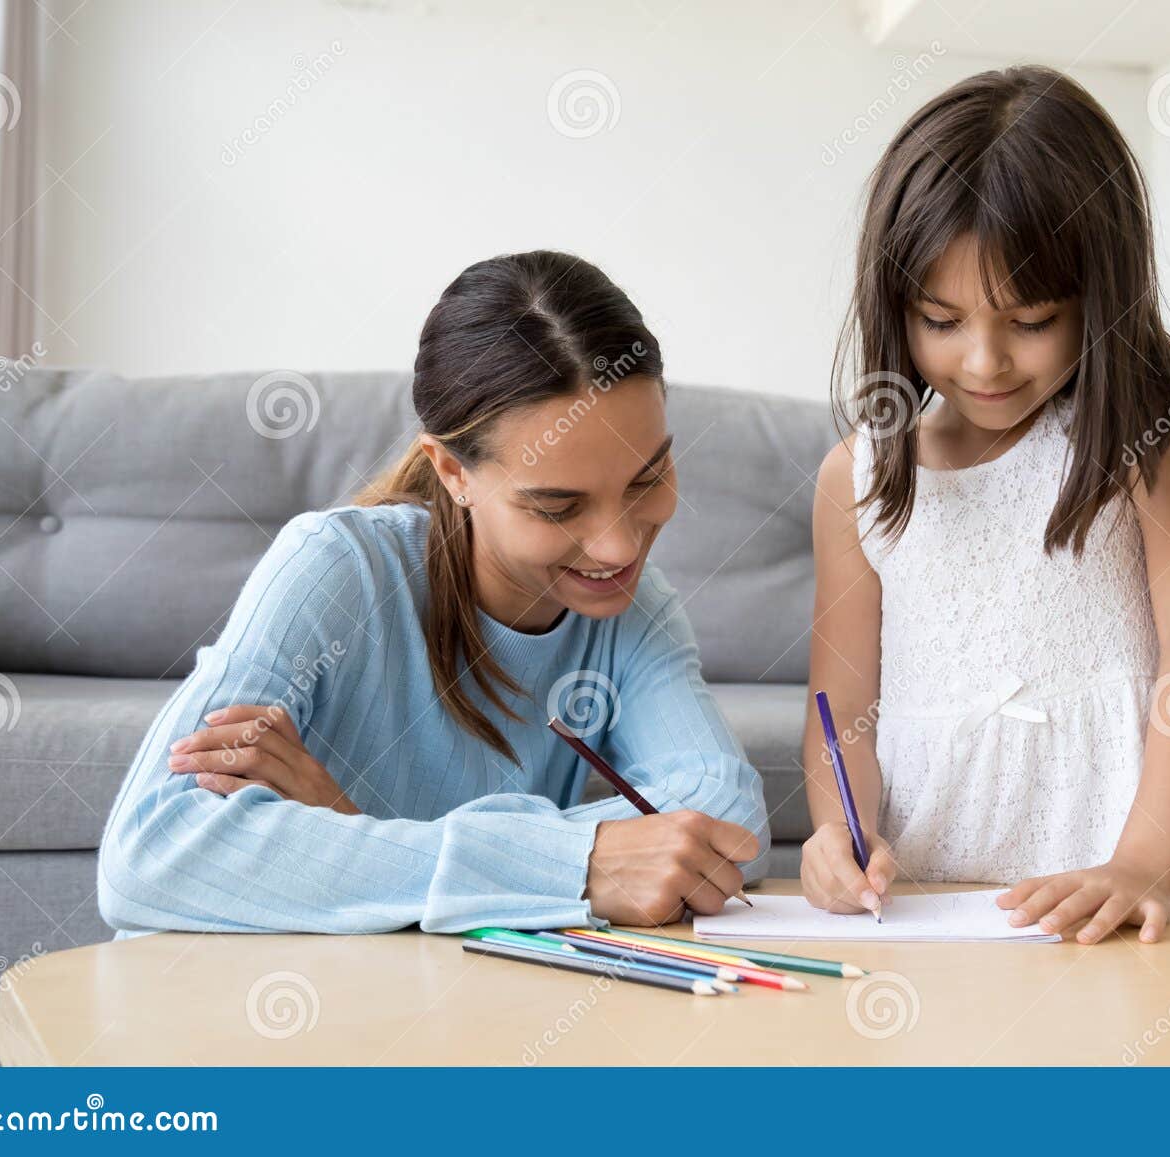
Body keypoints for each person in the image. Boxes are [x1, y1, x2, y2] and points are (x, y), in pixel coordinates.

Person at [98, 250, 768, 936]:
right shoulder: (337, 566)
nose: (620, 547)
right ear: (452, 471)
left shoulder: (635, 610)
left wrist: (356, 829)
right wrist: (579, 865)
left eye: (646, 479)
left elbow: (725, 812)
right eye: (559, 507)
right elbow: (153, 852)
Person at [801, 67, 1170, 944]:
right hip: (929, 888)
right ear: (896, 304)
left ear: (1100, 297)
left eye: (1032, 321)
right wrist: (835, 835)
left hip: (1113, 876)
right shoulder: (853, 477)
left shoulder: (1143, 413)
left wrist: (1144, 860)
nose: (984, 362)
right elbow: (841, 700)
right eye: (941, 318)